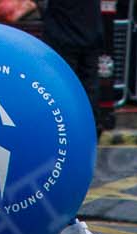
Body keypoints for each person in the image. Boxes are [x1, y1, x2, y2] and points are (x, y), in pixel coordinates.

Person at [38, 0, 113, 138]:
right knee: (89, 86)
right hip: (89, 34)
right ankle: (90, 127)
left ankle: (65, 127)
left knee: (63, 88)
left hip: (63, 36)